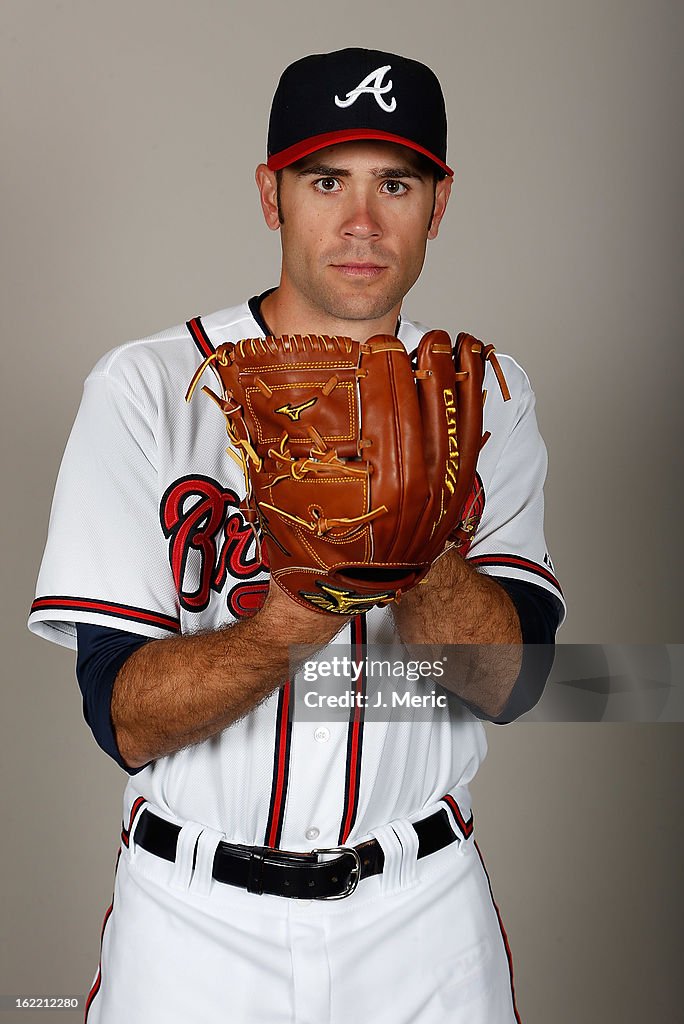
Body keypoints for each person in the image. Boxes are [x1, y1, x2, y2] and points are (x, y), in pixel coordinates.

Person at [29, 47, 564, 1024]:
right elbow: (123, 718)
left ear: (436, 205)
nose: (360, 223)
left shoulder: (483, 395)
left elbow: (508, 684)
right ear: (271, 196)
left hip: (421, 921)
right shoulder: (147, 389)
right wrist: (293, 618)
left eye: (393, 183)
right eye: (326, 180)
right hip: (193, 929)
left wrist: (407, 536)